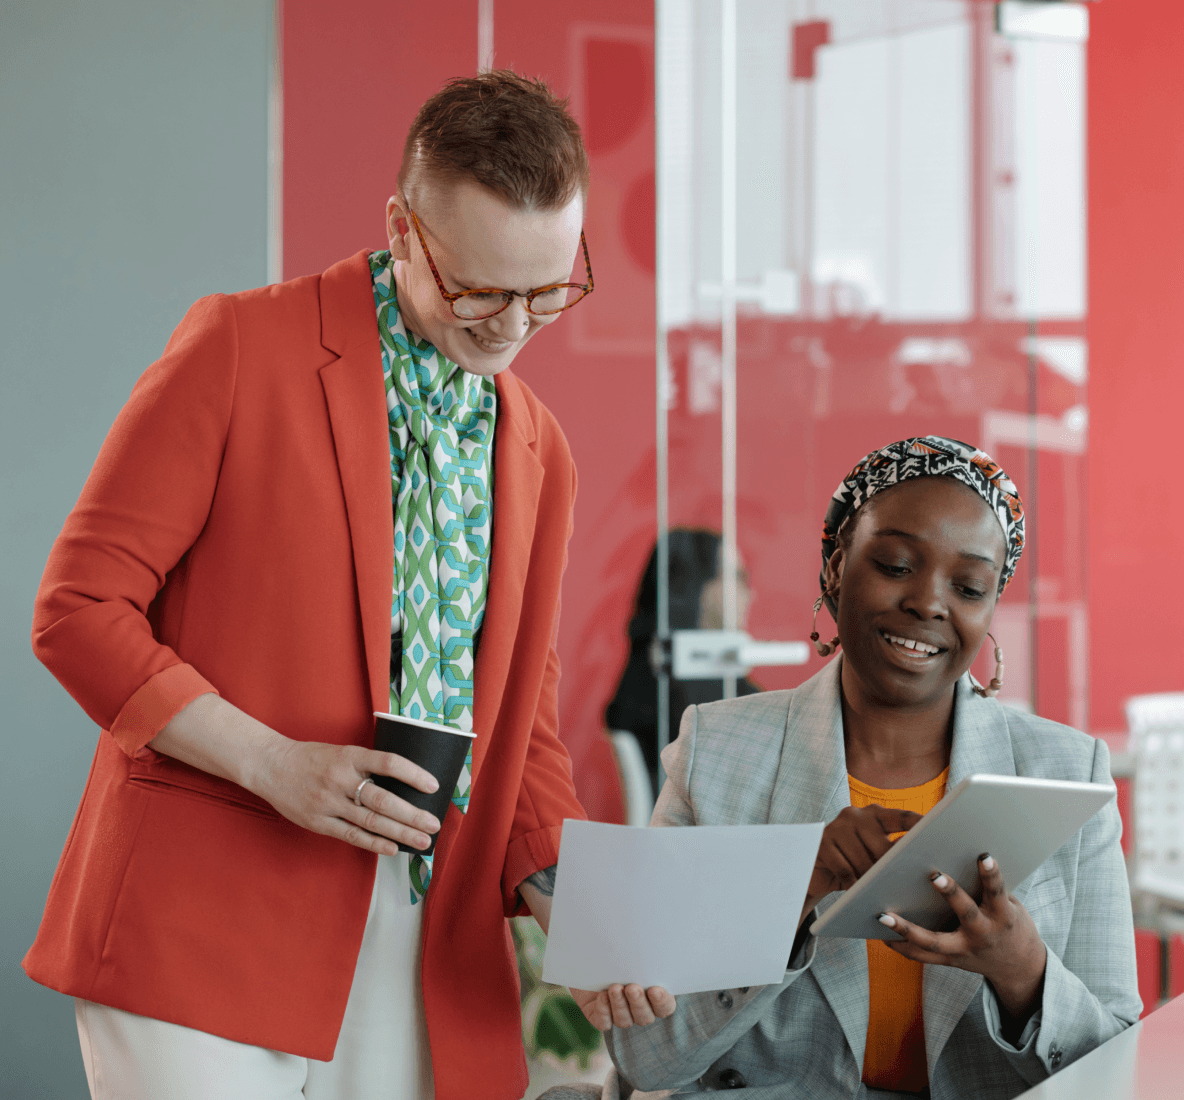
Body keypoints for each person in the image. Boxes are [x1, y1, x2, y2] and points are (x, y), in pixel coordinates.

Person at [24, 70, 667, 1100]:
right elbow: (78, 610)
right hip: (204, 923)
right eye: (480, 289)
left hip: (426, 938)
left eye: (547, 289)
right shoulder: (239, 346)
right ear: (402, 230)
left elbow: (520, 719)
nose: (510, 326)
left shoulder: (536, 444)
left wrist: (566, 901)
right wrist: (276, 763)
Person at [603, 437, 1140, 1100]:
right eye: (894, 564)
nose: (928, 602)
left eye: (968, 586)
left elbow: (1120, 1071)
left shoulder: (1069, 771)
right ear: (835, 567)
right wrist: (791, 887)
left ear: (990, 608)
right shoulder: (716, 751)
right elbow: (645, 1057)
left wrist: (1024, 973)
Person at [606, 529, 759, 800]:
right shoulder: (677, 693)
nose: (749, 593)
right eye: (737, 576)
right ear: (699, 584)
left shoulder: (650, 676)